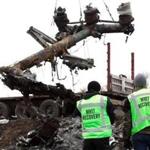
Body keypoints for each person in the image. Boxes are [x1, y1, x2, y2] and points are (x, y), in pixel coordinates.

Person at [76, 81, 115, 150]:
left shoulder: (80, 103)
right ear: (98, 90)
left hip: (88, 138)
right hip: (102, 137)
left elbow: (78, 115)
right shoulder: (104, 99)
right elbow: (112, 117)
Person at [123, 73, 150, 150]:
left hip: (139, 135)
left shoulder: (131, 98)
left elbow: (127, 122)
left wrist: (126, 139)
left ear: (134, 84)